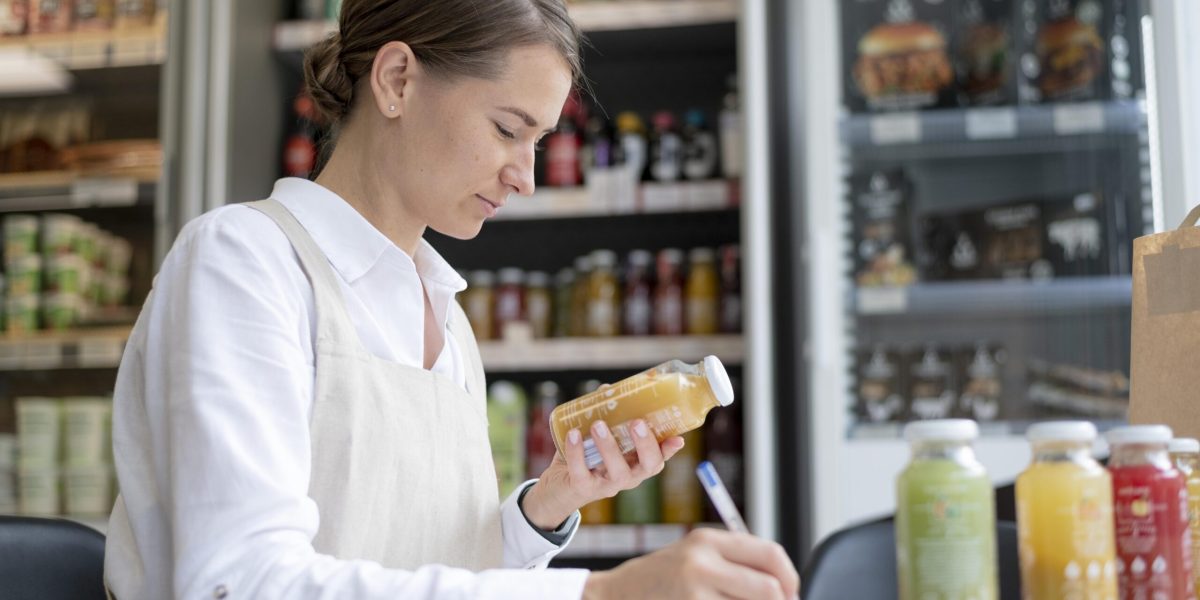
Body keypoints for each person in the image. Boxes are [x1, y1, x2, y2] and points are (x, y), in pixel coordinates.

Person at [103, 1, 800, 598]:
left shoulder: (445, 313)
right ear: (398, 79)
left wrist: (545, 506)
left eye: (539, 142)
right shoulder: (243, 262)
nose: (525, 177)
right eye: (507, 129)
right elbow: (242, 581)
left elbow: (427, 569)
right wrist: (599, 591)